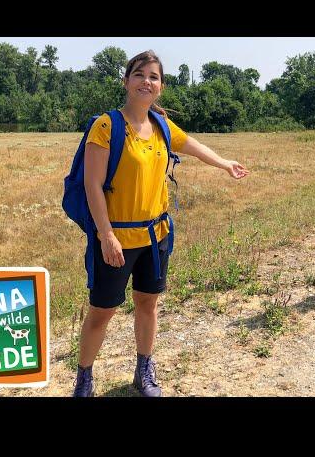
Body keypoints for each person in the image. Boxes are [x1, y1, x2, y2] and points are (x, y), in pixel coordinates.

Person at [73, 50, 249, 397]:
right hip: (117, 239)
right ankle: (84, 379)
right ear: (126, 81)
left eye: (153, 76)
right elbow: (92, 185)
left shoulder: (161, 126)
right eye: (139, 74)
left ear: (161, 87)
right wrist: (105, 235)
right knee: (102, 311)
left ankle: (143, 370)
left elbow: (194, 146)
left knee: (147, 304)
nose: (146, 81)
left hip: (156, 237)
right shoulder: (106, 126)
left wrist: (225, 163)